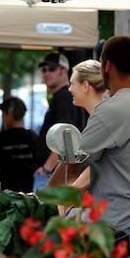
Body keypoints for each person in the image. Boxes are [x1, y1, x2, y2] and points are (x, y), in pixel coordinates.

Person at [51, 36, 130, 258]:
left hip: (126, 227)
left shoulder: (112, 109)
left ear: (106, 65)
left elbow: (73, 163)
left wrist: (48, 195)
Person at [48, 59, 107, 189]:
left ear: (85, 86)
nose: (69, 89)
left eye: (72, 84)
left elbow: (92, 170)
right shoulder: (98, 118)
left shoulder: (102, 121)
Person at [34, 52, 88, 191]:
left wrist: (47, 169)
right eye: (44, 70)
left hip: (53, 175)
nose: (46, 73)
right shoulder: (61, 96)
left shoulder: (64, 97)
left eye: (51, 69)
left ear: (64, 71)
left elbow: (65, 136)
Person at [0, 96, 38, 192]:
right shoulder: (33, 137)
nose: (2, 116)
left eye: (3, 113)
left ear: (10, 115)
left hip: (7, 193)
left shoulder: (0, 138)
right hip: (30, 193)